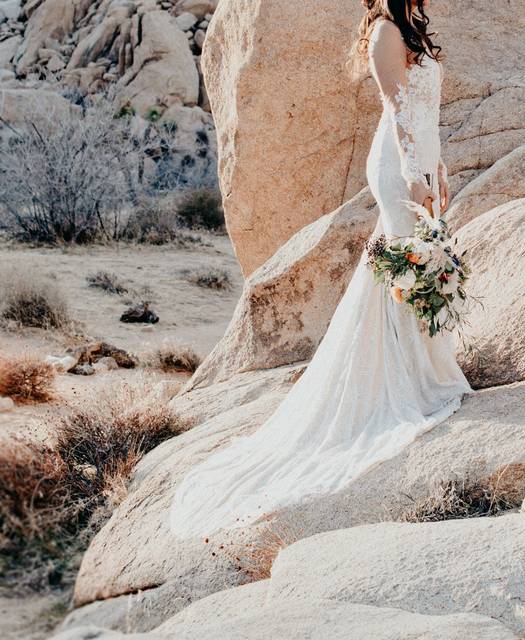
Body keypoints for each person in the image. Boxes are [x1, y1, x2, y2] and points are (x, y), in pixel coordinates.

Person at [168, 0, 470, 538]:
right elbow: (396, 108)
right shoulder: (383, 33)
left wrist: (438, 166)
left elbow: (427, 112)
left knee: (414, 263)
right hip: (398, 167)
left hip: (420, 159)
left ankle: (425, 372)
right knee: (407, 262)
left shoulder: (409, 31)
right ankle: (407, 383)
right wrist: (413, 175)